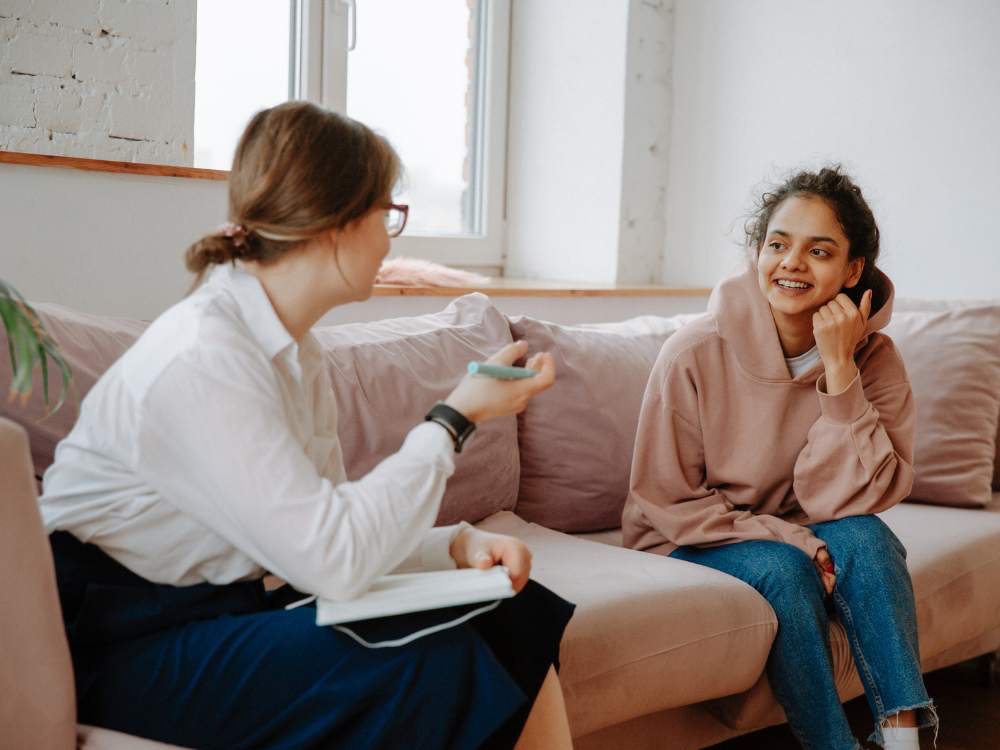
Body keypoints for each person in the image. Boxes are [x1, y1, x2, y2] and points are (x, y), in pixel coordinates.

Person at [40, 101, 575, 750]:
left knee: (514, 612)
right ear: (336, 223)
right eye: (389, 214)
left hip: (220, 610)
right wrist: (453, 418)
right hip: (115, 642)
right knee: (430, 661)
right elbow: (335, 560)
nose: (389, 237)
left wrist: (455, 546)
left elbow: (324, 525)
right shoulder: (204, 357)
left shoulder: (296, 351)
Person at [623, 167, 934, 750]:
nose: (792, 263)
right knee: (787, 572)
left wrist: (840, 374)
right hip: (688, 538)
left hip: (798, 528)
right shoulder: (692, 353)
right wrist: (794, 540)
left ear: (852, 271)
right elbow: (665, 500)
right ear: (757, 253)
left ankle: (904, 739)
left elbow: (856, 501)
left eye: (819, 251)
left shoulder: (876, 360)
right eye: (778, 244)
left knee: (868, 538)